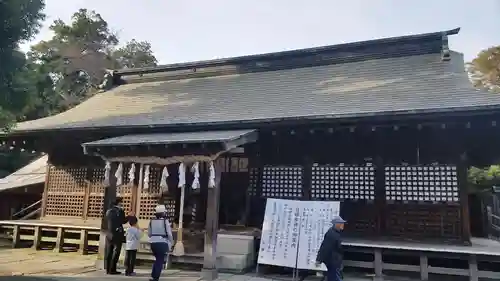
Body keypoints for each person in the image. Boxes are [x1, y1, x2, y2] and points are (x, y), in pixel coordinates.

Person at [315, 216, 346, 281]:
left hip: (335, 261)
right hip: (333, 261)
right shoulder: (331, 234)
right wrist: (319, 260)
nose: (343, 225)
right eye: (341, 223)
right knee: (335, 278)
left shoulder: (336, 233)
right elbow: (325, 247)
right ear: (337, 224)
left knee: (332, 277)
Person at [148, 204, 174, 281]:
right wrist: (171, 242)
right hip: (162, 242)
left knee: (157, 259)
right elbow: (169, 233)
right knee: (160, 260)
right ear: (163, 213)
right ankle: (155, 277)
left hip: (153, 242)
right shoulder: (165, 222)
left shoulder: (151, 221)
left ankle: (153, 275)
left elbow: (149, 233)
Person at [104, 197, 129, 275]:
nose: (122, 204)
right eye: (121, 202)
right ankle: (112, 269)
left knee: (109, 252)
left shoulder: (108, 211)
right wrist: (129, 216)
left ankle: (108, 269)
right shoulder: (120, 211)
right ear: (118, 203)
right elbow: (123, 221)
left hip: (109, 233)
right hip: (117, 233)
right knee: (116, 252)